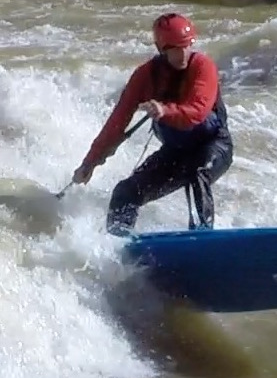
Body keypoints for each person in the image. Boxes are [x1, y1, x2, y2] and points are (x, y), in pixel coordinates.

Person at [72, 12, 234, 236]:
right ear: (161, 49)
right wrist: (89, 162)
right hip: (175, 153)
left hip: (214, 146)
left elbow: (197, 112)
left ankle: (202, 238)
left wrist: (165, 110)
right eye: (175, 48)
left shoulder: (203, 67)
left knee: (197, 174)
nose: (183, 53)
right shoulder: (144, 76)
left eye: (187, 46)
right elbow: (117, 122)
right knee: (125, 192)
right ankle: (118, 246)